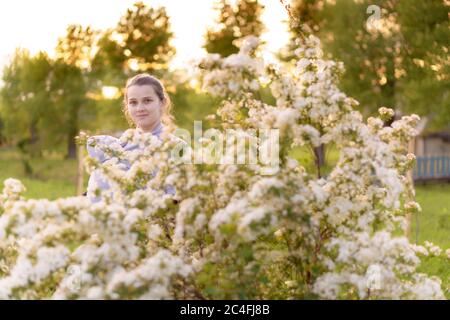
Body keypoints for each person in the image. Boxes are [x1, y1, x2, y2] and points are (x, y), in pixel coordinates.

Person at [86, 73, 178, 203]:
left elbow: (177, 202)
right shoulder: (116, 147)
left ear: (162, 103)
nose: (140, 108)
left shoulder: (175, 148)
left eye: (147, 101)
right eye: (133, 102)